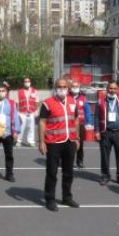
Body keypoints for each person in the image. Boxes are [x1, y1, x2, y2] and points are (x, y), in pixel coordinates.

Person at [38, 78, 80, 212]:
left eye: (64, 86)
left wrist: (77, 138)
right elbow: (42, 122)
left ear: (68, 88)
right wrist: (41, 141)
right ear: (55, 88)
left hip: (70, 141)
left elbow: (76, 121)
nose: (62, 88)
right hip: (53, 142)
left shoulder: (73, 102)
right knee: (52, 172)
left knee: (69, 172)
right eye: (59, 86)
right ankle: (50, 199)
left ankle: (67, 197)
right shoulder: (47, 103)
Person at [94, 82, 119, 186]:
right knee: (105, 156)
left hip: (118, 132)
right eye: (110, 88)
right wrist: (96, 131)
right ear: (107, 89)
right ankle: (105, 176)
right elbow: (96, 117)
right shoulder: (100, 101)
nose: (112, 90)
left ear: (117, 89)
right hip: (105, 132)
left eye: (115, 89)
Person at [70, 81, 92, 168]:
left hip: (80, 124)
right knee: (68, 144)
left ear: (79, 87)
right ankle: (67, 160)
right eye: (73, 86)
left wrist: (89, 122)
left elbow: (87, 111)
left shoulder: (83, 98)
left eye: (76, 86)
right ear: (70, 88)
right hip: (69, 124)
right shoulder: (66, 97)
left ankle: (80, 161)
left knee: (80, 144)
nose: (75, 88)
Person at [16, 77, 38, 147]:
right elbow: (17, 102)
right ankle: (19, 141)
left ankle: (31, 141)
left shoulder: (34, 91)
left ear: (30, 82)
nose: (27, 82)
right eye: (25, 81)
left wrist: (36, 110)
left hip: (31, 112)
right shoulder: (20, 92)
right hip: (22, 112)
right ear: (23, 83)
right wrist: (18, 112)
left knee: (31, 128)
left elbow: (36, 101)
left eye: (28, 81)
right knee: (21, 128)